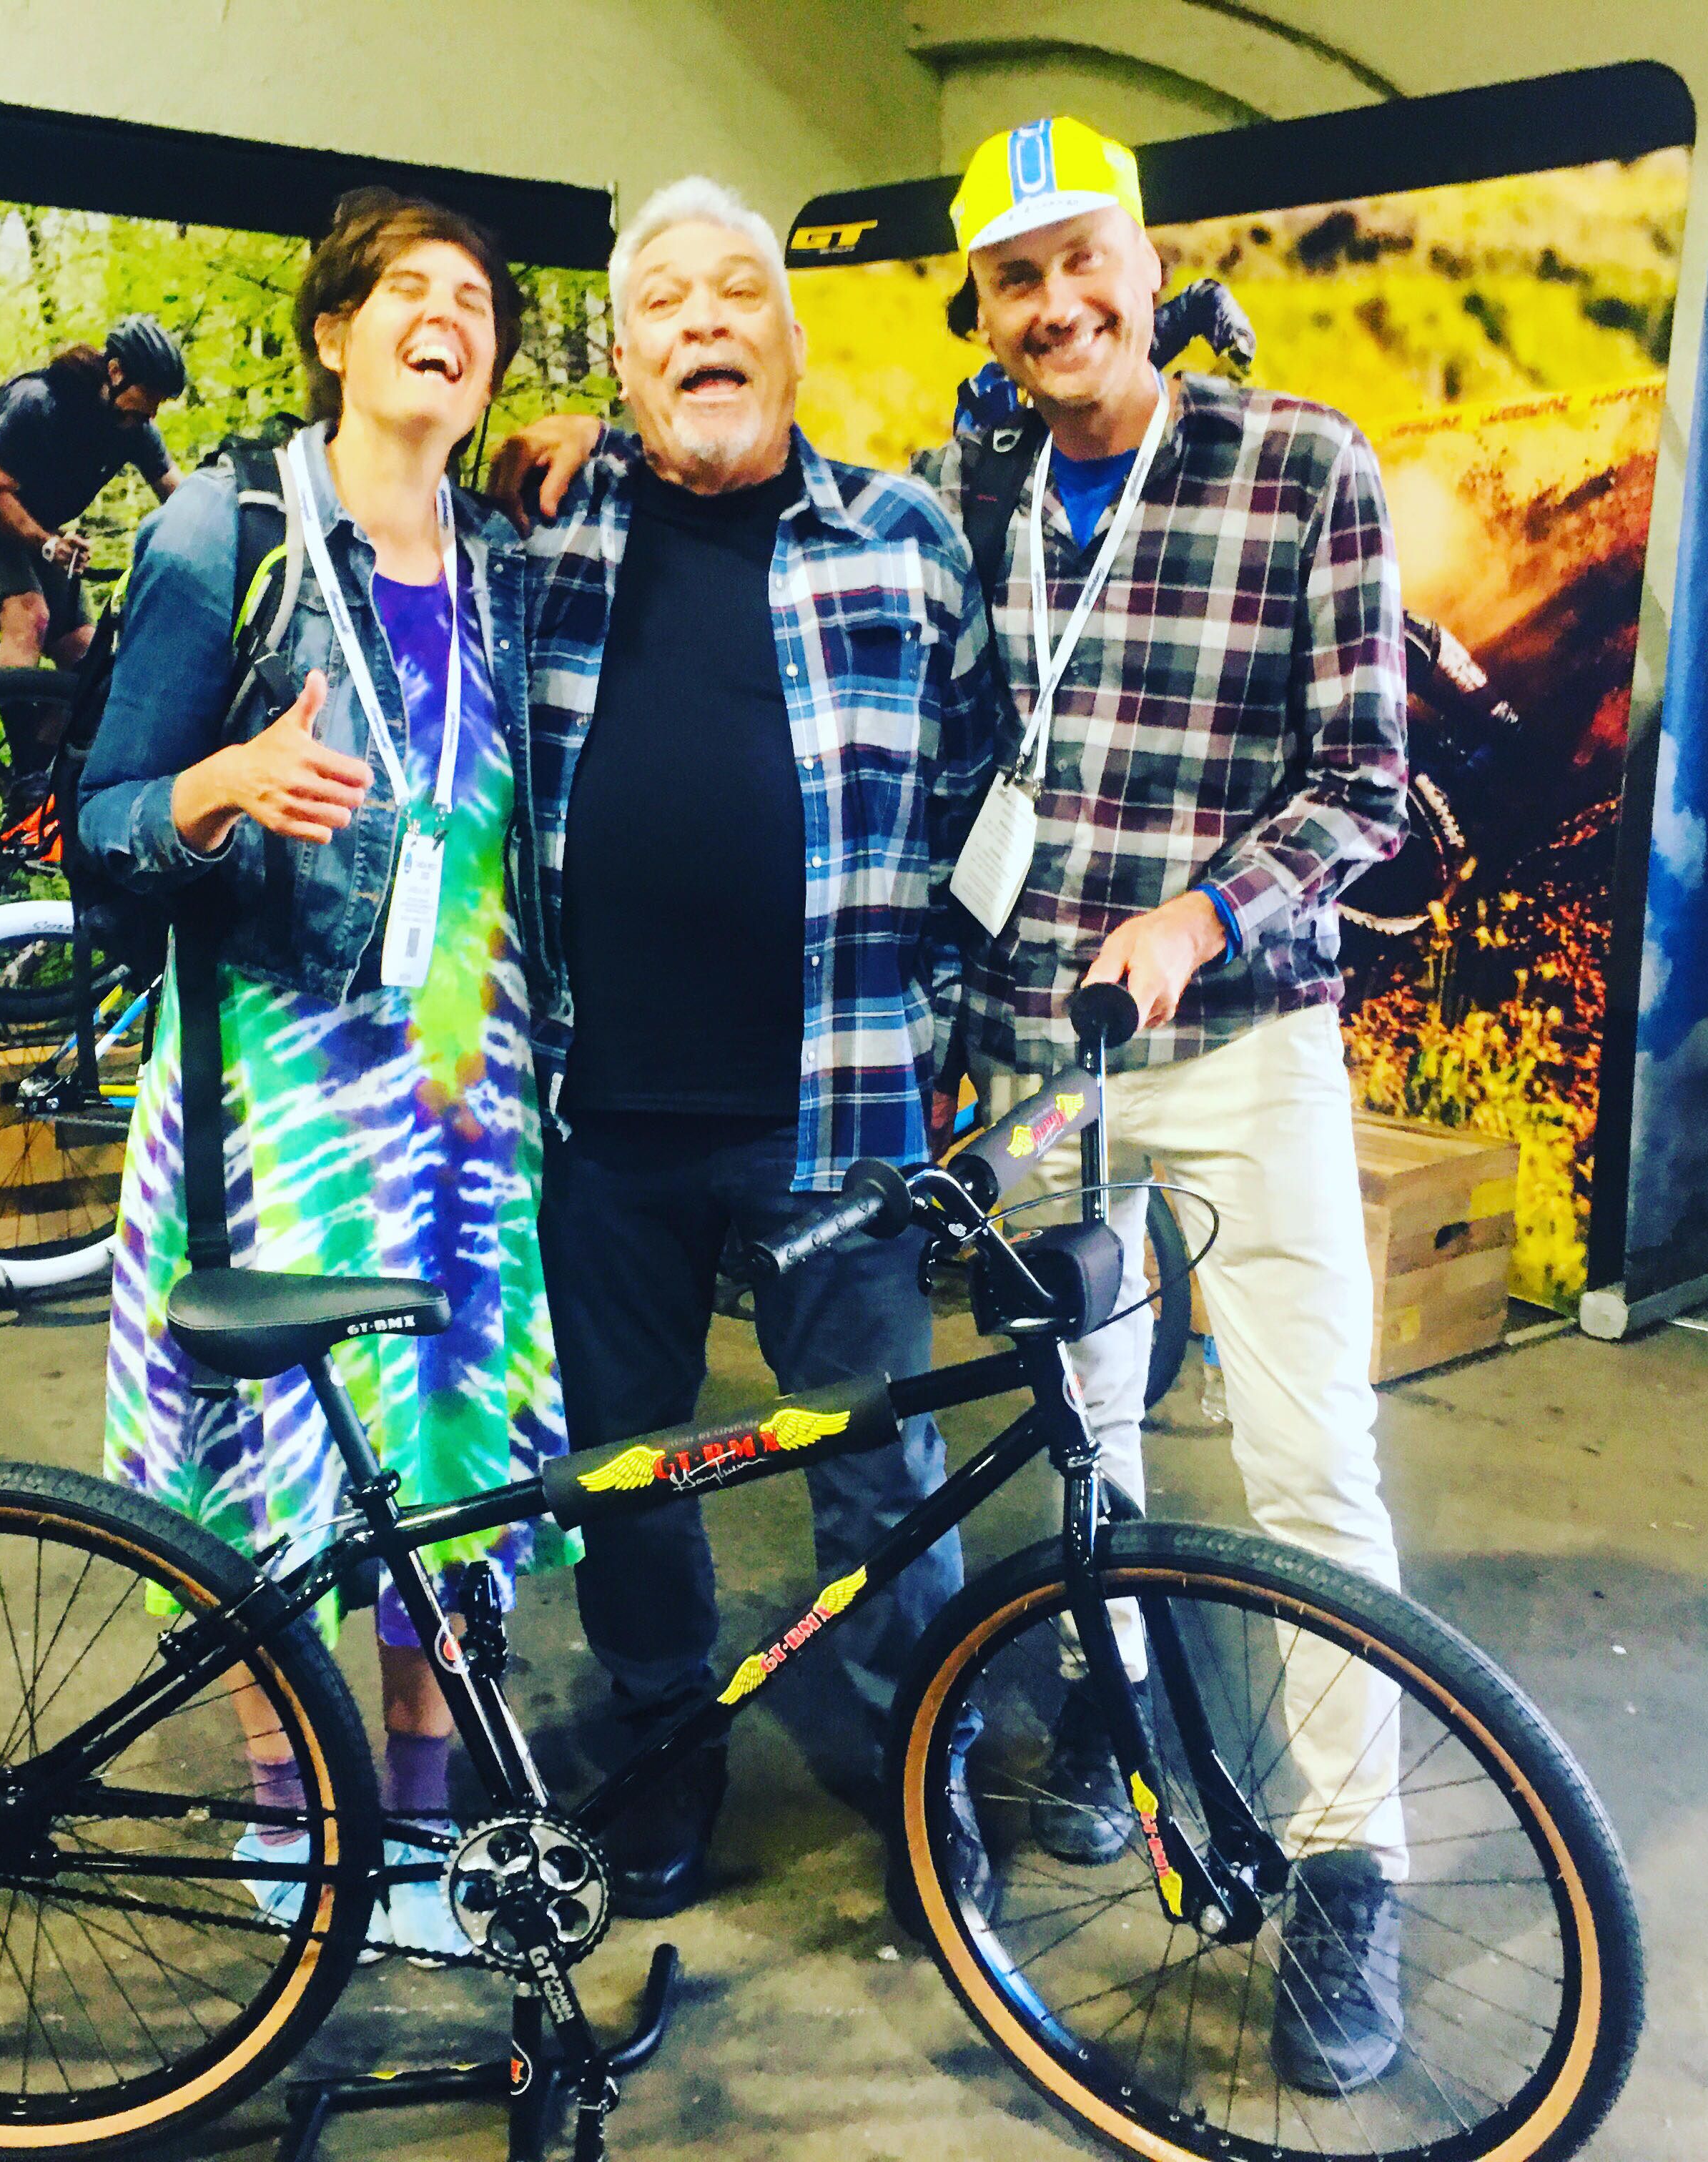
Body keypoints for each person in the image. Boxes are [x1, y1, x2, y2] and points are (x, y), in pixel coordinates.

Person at [926, 115, 1415, 2098]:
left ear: (1148, 266)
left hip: (1238, 1051)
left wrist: (1202, 915)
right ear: (984, 311)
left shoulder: (1302, 465)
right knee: (1085, 1421)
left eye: (1085, 261)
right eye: (1016, 278)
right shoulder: (965, 492)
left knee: (1311, 1466)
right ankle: (1111, 1703)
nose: (1059, 304)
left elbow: (1366, 781)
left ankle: (1351, 1866)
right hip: (1042, 1074)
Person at [75, 192, 571, 1958]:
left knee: (443, 1467)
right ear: (333, 334)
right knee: (271, 1467)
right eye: (408, 291)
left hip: (464, 1105)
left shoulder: (504, 557)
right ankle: (292, 1822)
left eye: (477, 302)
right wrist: (218, 790)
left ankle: (420, 1827)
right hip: (276, 1098)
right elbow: (103, 825)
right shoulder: (228, 533)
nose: (449, 319)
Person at [508, 177, 997, 1922]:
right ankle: (664, 1736)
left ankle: (919, 1751)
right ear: (623, 358)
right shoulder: (535, 546)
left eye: (737, 294)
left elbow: (976, 795)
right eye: (664, 303)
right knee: (625, 1462)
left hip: (843, 1103)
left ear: (792, 341)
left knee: (876, 1465)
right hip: (603, 1109)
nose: (704, 321)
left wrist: (943, 1035)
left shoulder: (905, 539)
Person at [0, 315, 189, 688]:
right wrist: (48, 544)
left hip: (30, 520)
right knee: (29, 617)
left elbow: (182, 498)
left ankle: (54, 727)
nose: (152, 411)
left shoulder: (136, 429)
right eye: (149, 395)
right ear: (116, 372)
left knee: (85, 652)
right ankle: (19, 724)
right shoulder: (40, 402)